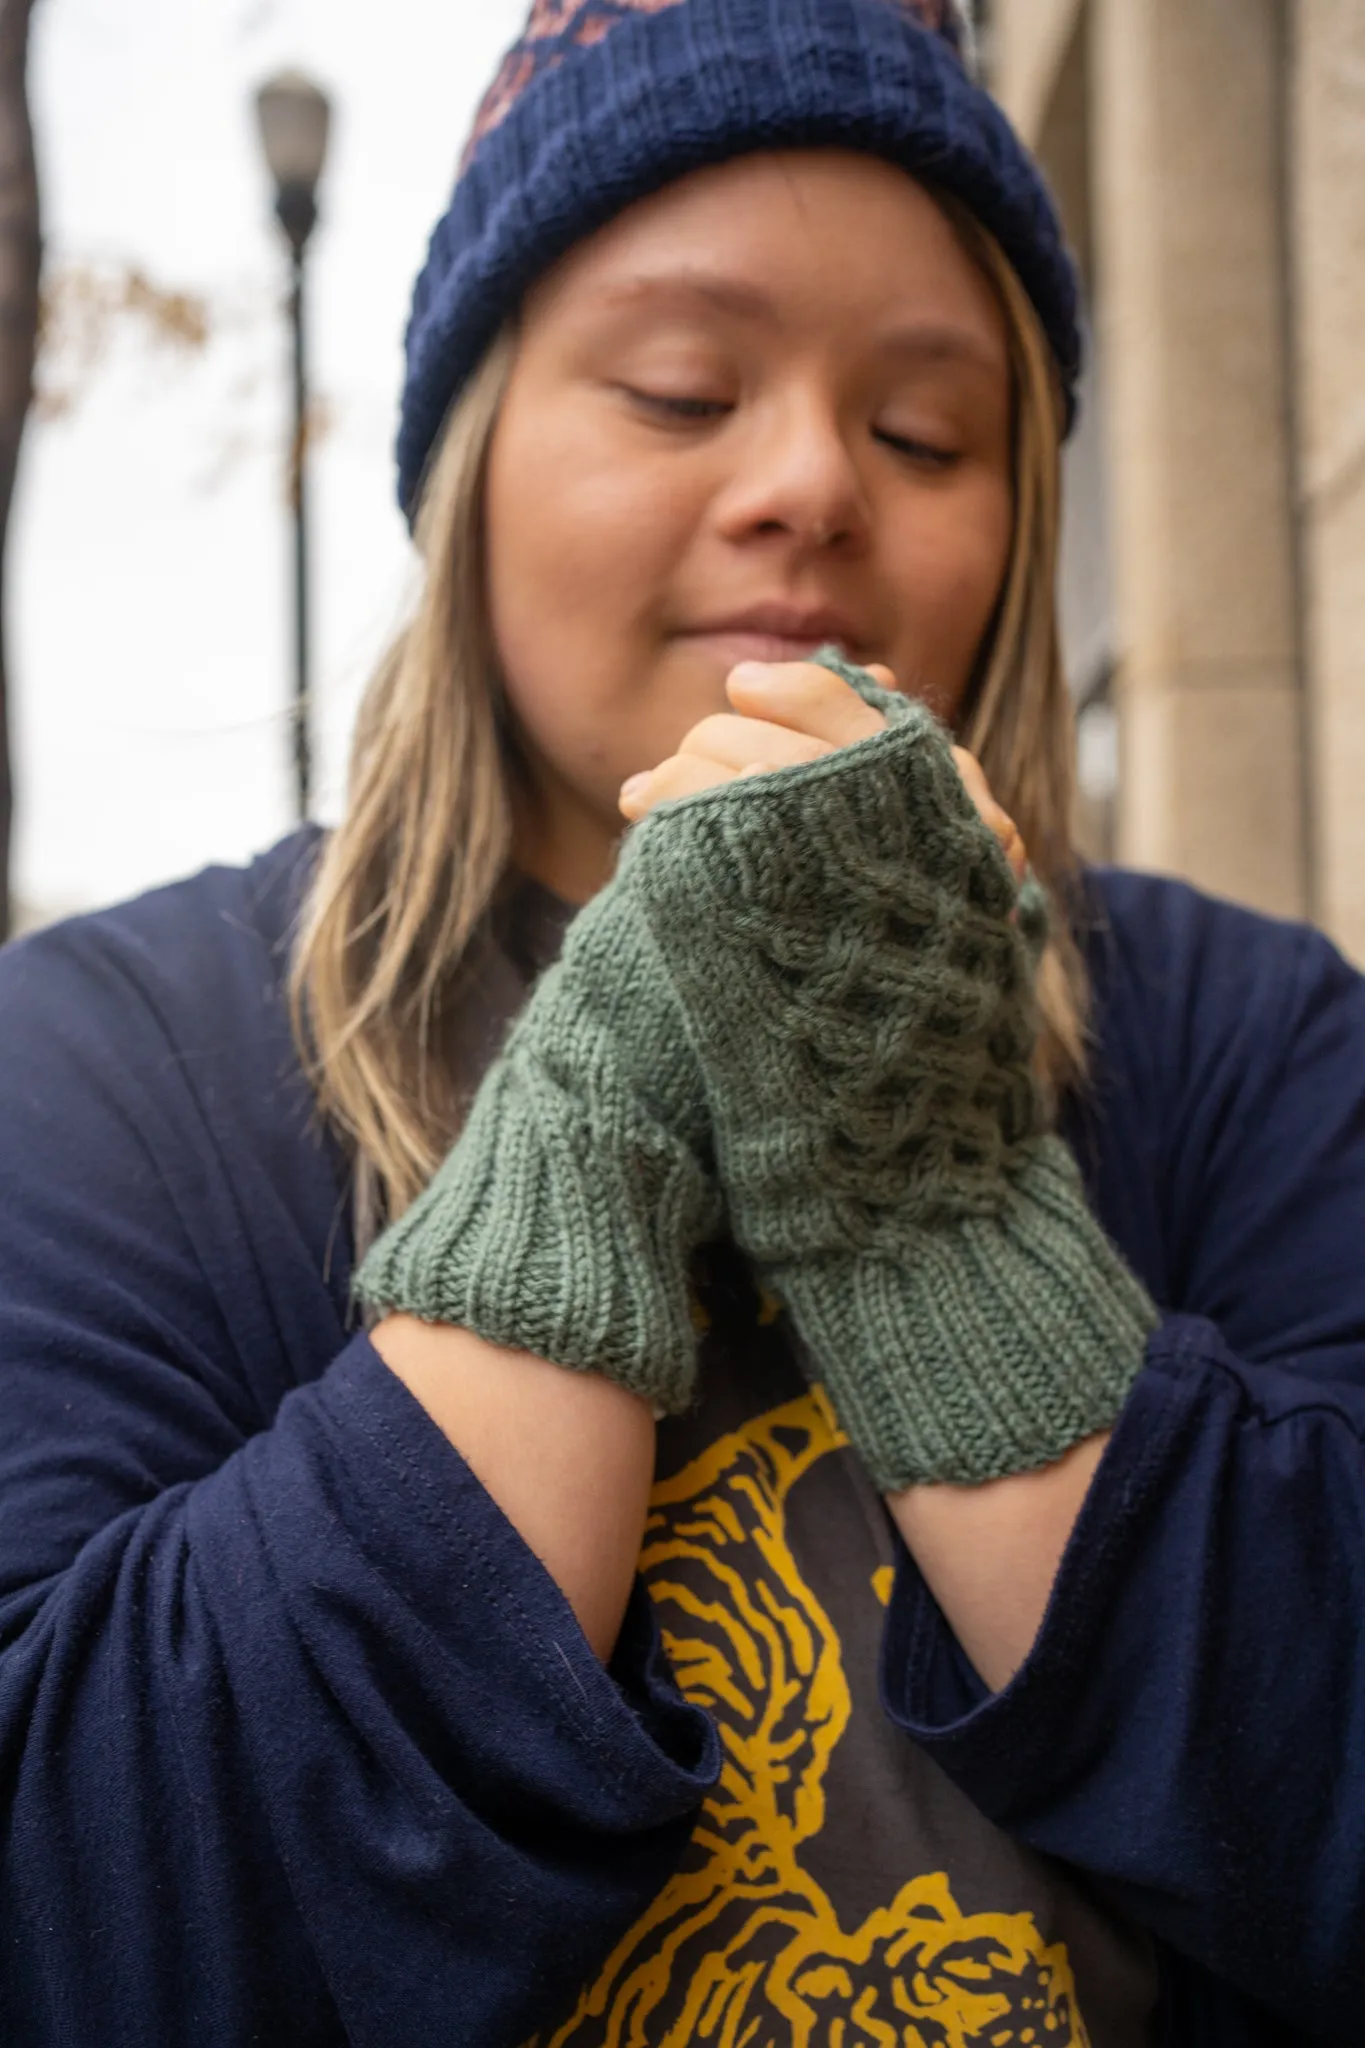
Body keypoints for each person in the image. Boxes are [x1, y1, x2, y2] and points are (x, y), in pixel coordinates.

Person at [1, 1, 1362, 2041]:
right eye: (674, 390)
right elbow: (89, 1917)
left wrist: (923, 1194)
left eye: (925, 430)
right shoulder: (106, 1060)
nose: (811, 482)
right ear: (469, 457)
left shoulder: (1250, 1036)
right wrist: (604, 1098)